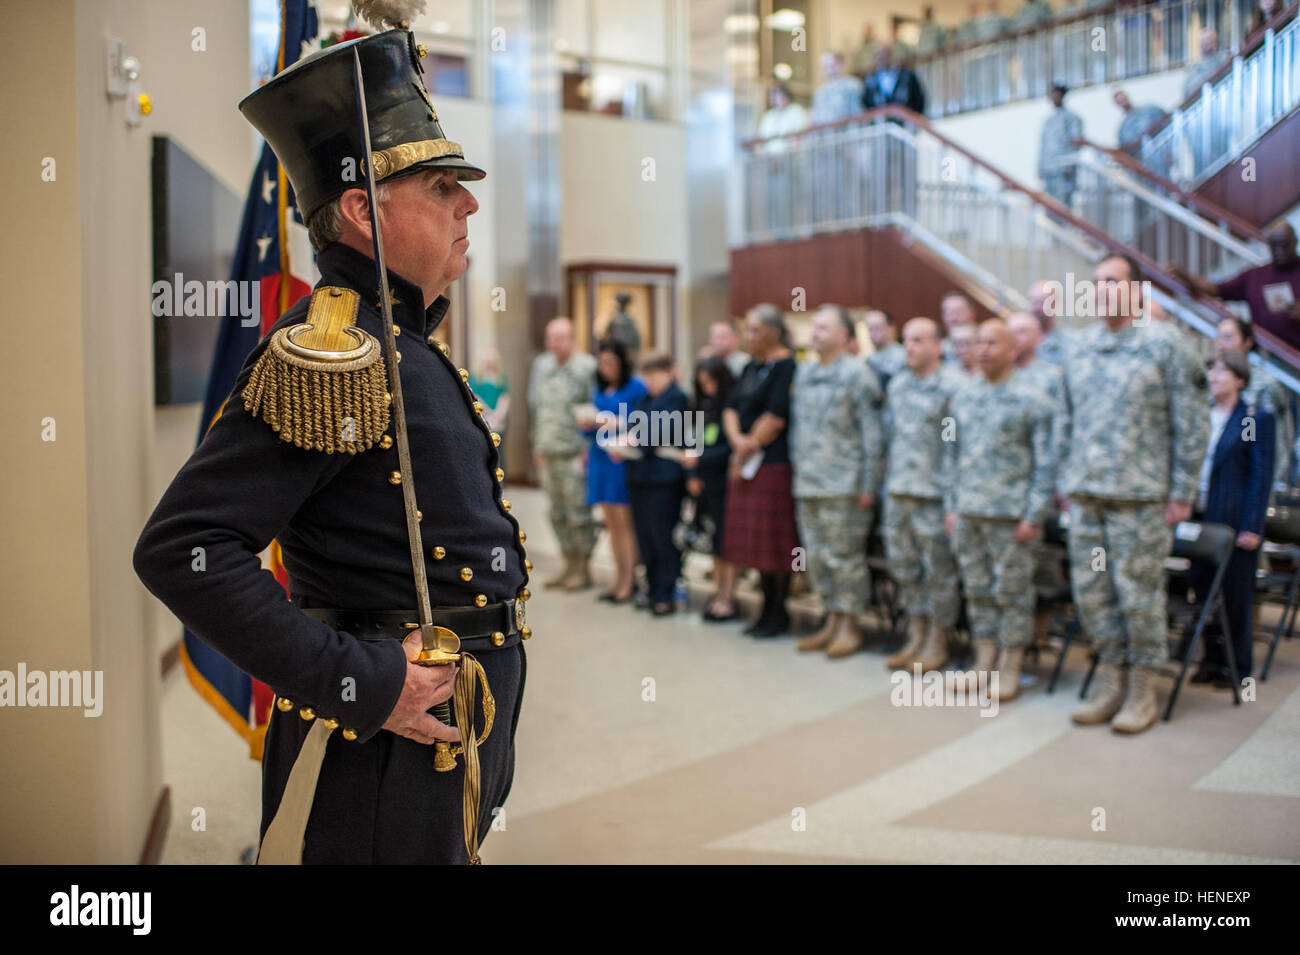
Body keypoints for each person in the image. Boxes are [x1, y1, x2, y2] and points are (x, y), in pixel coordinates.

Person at [134, 26, 527, 865]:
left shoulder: (407, 345)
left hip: (447, 740)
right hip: (378, 752)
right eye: (440, 184)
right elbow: (184, 548)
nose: (469, 203)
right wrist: (369, 683)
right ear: (362, 209)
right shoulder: (332, 355)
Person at [1062, 254, 1209, 735]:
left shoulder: (1165, 344)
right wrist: (1066, 481)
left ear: (1137, 291)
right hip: (1087, 496)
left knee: (1137, 595)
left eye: (1113, 281)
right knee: (1093, 593)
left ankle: (1143, 690)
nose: (1102, 289)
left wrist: (1183, 490)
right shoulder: (1079, 347)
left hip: (1141, 497)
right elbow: (1066, 419)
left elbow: (1191, 420)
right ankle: (1110, 681)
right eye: (1096, 281)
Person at [944, 319, 1056, 701]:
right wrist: (951, 505)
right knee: (976, 590)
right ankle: (983, 662)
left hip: (1011, 517)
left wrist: (1033, 514)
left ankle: (1009, 666)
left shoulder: (1034, 399)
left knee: (1012, 594)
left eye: (994, 342)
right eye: (980, 342)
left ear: (1013, 350)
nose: (984, 349)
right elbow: (951, 454)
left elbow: (1046, 463)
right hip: (969, 512)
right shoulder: (962, 396)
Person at [790, 306, 885, 658]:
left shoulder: (858, 375)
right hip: (810, 481)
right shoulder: (806, 373)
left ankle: (850, 625)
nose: (815, 332)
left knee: (845, 558)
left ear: (846, 336)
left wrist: (868, 484)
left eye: (824, 327)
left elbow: (872, 435)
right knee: (816, 557)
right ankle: (831, 619)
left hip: (845, 484)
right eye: (814, 326)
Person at [882, 317, 967, 671]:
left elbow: (958, 448)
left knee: (938, 573)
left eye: (919, 340)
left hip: (934, 495)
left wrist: (953, 501)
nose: (911, 348)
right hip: (900, 491)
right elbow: (891, 438)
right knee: (905, 567)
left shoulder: (954, 387)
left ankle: (938, 639)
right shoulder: (898, 385)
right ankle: (915, 634)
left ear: (938, 346)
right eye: (906, 340)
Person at [1190, 352, 1275, 686]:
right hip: (1201, 515)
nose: (1215, 376)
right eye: (1212, 370)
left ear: (1240, 379)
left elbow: (1260, 473)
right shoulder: (1202, 414)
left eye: (1223, 372)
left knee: (1236, 595)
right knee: (1201, 588)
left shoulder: (1251, 419)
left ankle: (1238, 669)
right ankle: (1210, 661)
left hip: (1234, 518)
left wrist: (1253, 524)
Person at [723, 304, 800, 637]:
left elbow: (776, 416)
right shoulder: (749, 368)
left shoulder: (787, 367)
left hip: (771, 464)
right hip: (747, 462)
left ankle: (777, 611)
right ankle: (764, 608)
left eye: (753, 330)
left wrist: (748, 448)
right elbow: (731, 407)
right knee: (754, 543)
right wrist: (737, 441)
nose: (748, 337)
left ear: (772, 331)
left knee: (775, 545)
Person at [529, 317, 599, 590]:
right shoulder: (541, 366)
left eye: (559, 337)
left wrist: (587, 449)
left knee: (578, 511)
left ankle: (583, 567)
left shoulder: (586, 368)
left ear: (572, 339)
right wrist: (536, 445)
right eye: (550, 337)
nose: (553, 343)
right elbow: (536, 408)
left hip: (574, 452)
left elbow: (595, 411)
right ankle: (567, 562)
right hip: (548, 449)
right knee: (556, 512)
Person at [582, 340, 647, 604]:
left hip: (620, 460)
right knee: (610, 524)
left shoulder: (636, 387)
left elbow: (644, 421)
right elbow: (591, 424)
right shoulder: (599, 387)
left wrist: (617, 422)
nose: (606, 368)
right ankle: (618, 577)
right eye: (602, 362)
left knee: (624, 523)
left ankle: (629, 581)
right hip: (600, 457)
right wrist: (588, 422)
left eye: (611, 362)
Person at [1170, 223, 1300, 355]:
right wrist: (1186, 278)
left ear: (1295, 242)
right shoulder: (1255, 276)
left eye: (1284, 244)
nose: (1279, 250)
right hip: (1264, 356)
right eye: (1274, 246)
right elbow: (1216, 289)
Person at [625, 354, 690, 616]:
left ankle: (665, 591)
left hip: (664, 479)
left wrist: (632, 439)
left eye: (654, 375)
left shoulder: (676, 397)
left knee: (662, 535)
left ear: (668, 373)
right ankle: (651, 588)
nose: (649, 381)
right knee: (645, 536)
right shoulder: (646, 399)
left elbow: (656, 433)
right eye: (646, 376)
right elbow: (635, 427)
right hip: (640, 475)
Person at [686, 356, 740, 621]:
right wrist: (693, 472)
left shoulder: (730, 408)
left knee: (727, 543)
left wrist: (702, 460)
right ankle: (717, 591)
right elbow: (695, 442)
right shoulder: (702, 408)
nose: (708, 389)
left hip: (726, 483)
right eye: (702, 384)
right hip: (705, 484)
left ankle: (728, 595)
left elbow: (730, 448)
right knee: (714, 541)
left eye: (711, 383)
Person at [1215, 317, 1294, 488]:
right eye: (1218, 337)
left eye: (1228, 337)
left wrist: (1270, 480)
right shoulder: (1213, 381)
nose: (1221, 344)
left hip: (1246, 478)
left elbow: (1270, 439)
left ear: (1247, 343)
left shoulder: (1263, 384)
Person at [1038, 82, 1083, 208]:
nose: (1054, 97)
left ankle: (1064, 227)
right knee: (1050, 205)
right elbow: (1043, 146)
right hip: (1049, 169)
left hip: (1063, 170)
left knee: (1063, 204)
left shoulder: (1072, 118)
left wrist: (1068, 166)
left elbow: (1075, 143)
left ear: (1062, 95)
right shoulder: (1048, 121)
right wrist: (1040, 167)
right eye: (1052, 94)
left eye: (1057, 94)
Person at [469, 348, 510, 474]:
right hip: (484, 419)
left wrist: (499, 414)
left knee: (499, 451)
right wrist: (489, 414)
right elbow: (476, 397)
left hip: (498, 421)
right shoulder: (475, 378)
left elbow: (504, 397)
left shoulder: (501, 377)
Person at [861, 42, 927, 114]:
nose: (881, 58)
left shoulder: (908, 76)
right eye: (877, 55)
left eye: (884, 54)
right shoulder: (870, 79)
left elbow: (919, 101)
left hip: (905, 123)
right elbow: (866, 104)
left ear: (891, 54)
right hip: (879, 123)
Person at [811, 51, 865, 125]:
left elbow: (857, 113)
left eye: (831, 65)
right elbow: (816, 119)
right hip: (826, 134)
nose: (828, 69)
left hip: (847, 132)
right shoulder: (819, 93)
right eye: (824, 66)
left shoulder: (853, 85)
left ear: (841, 65)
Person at [1113, 88, 1169, 158]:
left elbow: (1166, 120)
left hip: (1164, 152)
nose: (1124, 102)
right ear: (1117, 104)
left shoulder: (1150, 110)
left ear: (1127, 97)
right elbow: (1126, 151)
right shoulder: (1123, 130)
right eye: (1120, 101)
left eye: (1124, 98)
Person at [1028, 279, 1068, 366]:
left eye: (1042, 302)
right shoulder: (1020, 341)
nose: (1037, 308)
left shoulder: (1068, 342)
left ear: (1054, 304)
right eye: (1034, 302)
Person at [865, 307, 907, 391]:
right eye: (870, 329)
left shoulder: (904, 356)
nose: (873, 334)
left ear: (891, 328)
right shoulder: (867, 358)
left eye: (877, 328)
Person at [1182, 28, 1229, 99]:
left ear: (1215, 41)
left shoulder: (1224, 60)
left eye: (1208, 40)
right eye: (1203, 41)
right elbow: (1187, 90)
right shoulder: (1194, 68)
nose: (1206, 43)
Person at [940, 290, 978, 367]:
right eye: (949, 313)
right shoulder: (939, 349)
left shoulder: (986, 342)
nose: (953, 318)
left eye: (958, 312)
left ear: (972, 313)